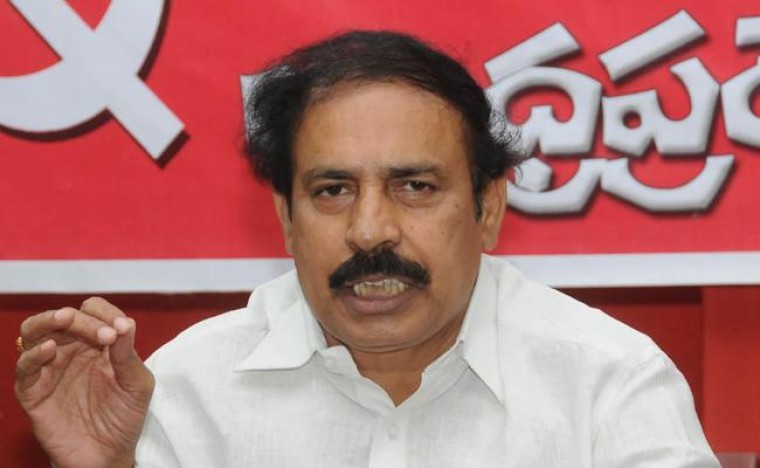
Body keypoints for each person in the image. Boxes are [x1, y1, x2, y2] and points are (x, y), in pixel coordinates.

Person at [14, 30, 719, 467]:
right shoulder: (186, 391)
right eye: (333, 190)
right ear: (286, 219)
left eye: (414, 186)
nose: (370, 229)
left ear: (488, 209)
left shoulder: (608, 385)